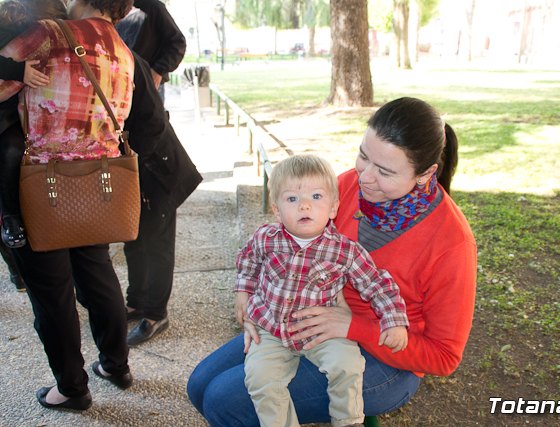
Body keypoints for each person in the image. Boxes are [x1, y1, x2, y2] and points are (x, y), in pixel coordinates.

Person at [187, 97, 477, 425]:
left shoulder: (452, 244)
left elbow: (444, 357)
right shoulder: (348, 185)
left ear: (425, 174)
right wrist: (260, 302)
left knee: (224, 401)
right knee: (199, 386)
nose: (365, 177)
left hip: (387, 360)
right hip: (308, 318)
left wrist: (352, 325)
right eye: (363, 156)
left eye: (384, 171)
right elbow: (285, 244)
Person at [0, 0, 136, 410]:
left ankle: (72, 388)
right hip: (98, 185)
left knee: (51, 291)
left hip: (43, 184)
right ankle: (116, 365)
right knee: (98, 273)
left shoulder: (47, 36)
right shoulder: (123, 50)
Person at [236, 154, 409, 427]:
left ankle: (348, 421)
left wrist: (394, 320)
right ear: (277, 209)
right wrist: (243, 292)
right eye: (292, 199)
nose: (304, 205)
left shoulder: (344, 251)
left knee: (348, 364)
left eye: (316, 196)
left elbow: (378, 284)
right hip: (271, 329)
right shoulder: (265, 239)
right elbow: (247, 262)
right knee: (259, 377)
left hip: (322, 330)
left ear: (333, 208)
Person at [122, 48, 202, 346]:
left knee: (157, 241)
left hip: (157, 165)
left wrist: (134, 159)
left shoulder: (125, 56)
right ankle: (136, 301)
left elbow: (154, 121)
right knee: (133, 238)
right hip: (131, 166)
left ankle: (155, 313)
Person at [0, 0, 62, 248]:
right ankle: (11, 218)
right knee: (12, 149)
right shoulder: (14, 26)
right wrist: (16, 70)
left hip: (22, 111)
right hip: (7, 114)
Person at [115, 0, 185, 102]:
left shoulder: (154, 7)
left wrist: (158, 70)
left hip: (148, 86)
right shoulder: (113, 9)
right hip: (121, 84)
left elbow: (178, 43)